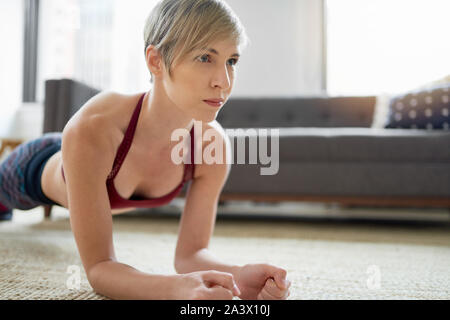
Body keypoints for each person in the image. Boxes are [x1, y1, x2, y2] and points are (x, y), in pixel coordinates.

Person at [0, 0, 291, 300]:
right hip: (32, 169)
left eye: (232, 61)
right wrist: (176, 289)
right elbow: (99, 268)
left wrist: (239, 277)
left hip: (81, 155)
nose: (224, 81)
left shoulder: (211, 147)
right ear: (155, 60)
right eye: (205, 57)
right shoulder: (95, 127)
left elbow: (190, 256)